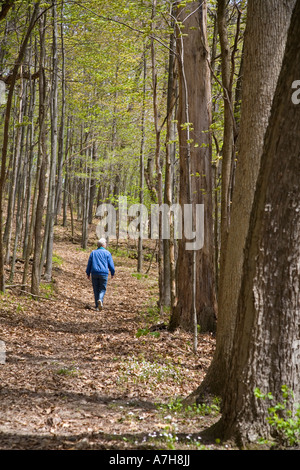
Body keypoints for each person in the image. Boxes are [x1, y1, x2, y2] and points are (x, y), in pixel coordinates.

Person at [86, 238, 115, 310]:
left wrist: (88, 272)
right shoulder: (107, 253)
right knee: (102, 289)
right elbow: (111, 265)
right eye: (105, 243)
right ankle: (100, 299)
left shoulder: (93, 252)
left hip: (94, 273)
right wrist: (112, 272)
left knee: (96, 289)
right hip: (104, 273)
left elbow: (89, 263)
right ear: (103, 245)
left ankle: (97, 306)